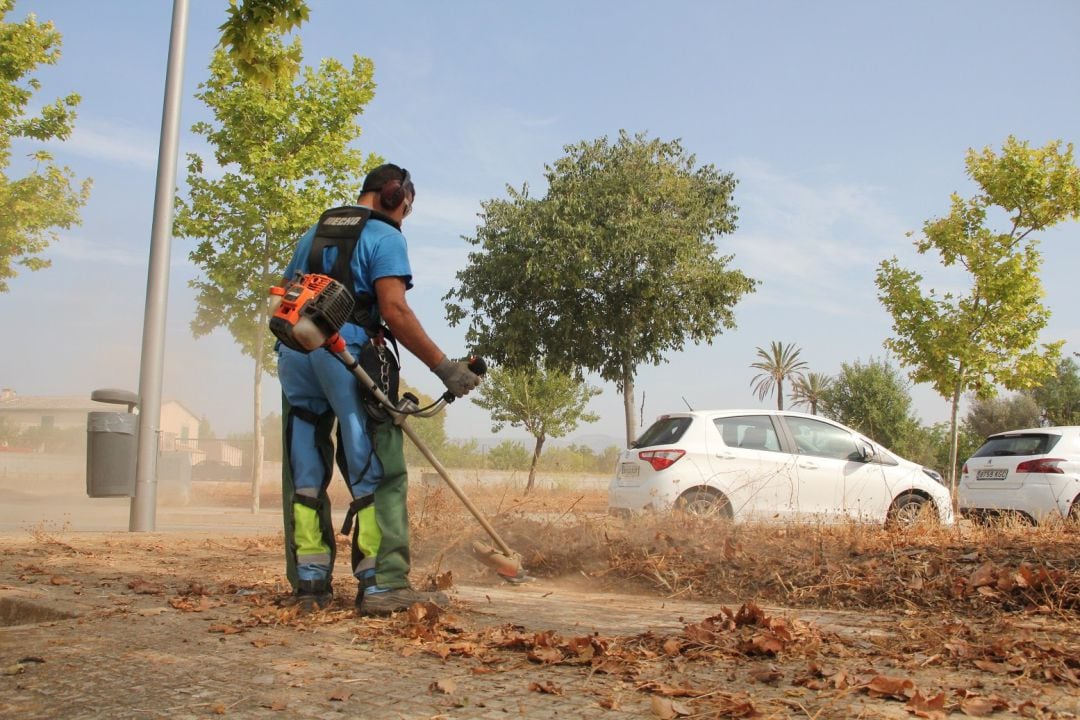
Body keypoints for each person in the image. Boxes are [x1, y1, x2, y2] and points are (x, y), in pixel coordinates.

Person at [276, 163, 482, 615]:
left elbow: (288, 292)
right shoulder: (386, 235)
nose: (404, 217)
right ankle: (383, 583)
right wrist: (444, 367)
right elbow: (394, 309)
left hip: (295, 352)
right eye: (406, 208)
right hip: (343, 352)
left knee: (305, 469)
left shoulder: (315, 231)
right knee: (376, 469)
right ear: (394, 195)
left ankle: (310, 584)